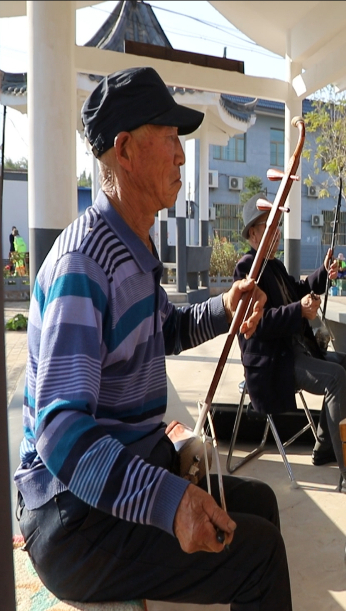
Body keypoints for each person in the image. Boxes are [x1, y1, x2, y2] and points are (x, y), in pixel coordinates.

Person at [14, 66, 292, 611]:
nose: (182, 156)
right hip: (72, 517)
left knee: (259, 504)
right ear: (125, 150)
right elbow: (61, 431)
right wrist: (170, 503)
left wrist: (225, 307)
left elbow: (165, 328)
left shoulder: (133, 247)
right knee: (258, 554)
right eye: (169, 139)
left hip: (115, 480)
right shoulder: (83, 263)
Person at [234, 194, 346, 502]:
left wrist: (323, 273)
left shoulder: (274, 266)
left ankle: (325, 445)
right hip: (273, 361)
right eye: (270, 227)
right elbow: (259, 324)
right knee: (334, 378)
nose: (276, 233)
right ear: (254, 234)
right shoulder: (246, 270)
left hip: (295, 351)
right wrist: (297, 310)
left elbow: (298, 290)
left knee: (344, 364)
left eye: (277, 226)